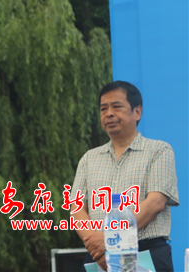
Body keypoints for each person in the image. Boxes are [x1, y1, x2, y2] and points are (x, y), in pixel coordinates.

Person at [71, 81, 179, 272]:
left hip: (146, 253)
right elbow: (77, 208)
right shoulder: (89, 158)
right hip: (99, 257)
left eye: (116, 106)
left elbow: (155, 203)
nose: (109, 113)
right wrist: (97, 245)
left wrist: (110, 239)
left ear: (137, 112)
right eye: (103, 109)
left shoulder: (159, 151)